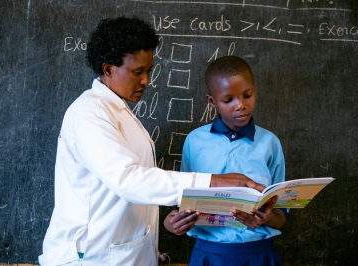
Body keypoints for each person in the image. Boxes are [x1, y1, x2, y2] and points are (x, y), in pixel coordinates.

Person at [38, 18, 265, 266]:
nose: (146, 80)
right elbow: (128, 180)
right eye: (137, 72)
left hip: (120, 254)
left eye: (149, 71)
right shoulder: (89, 114)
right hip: (91, 256)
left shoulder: (116, 110)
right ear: (108, 69)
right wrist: (213, 181)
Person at [164, 56, 288, 265]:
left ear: (254, 90)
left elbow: (281, 216)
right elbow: (182, 201)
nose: (240, 105)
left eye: (247, 95)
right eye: (228, 100)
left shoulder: (270, 143)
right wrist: (172, 223)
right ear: (212, 101)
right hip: (208, 254)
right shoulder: (194, 142)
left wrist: (265, 218)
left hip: (259, 254)